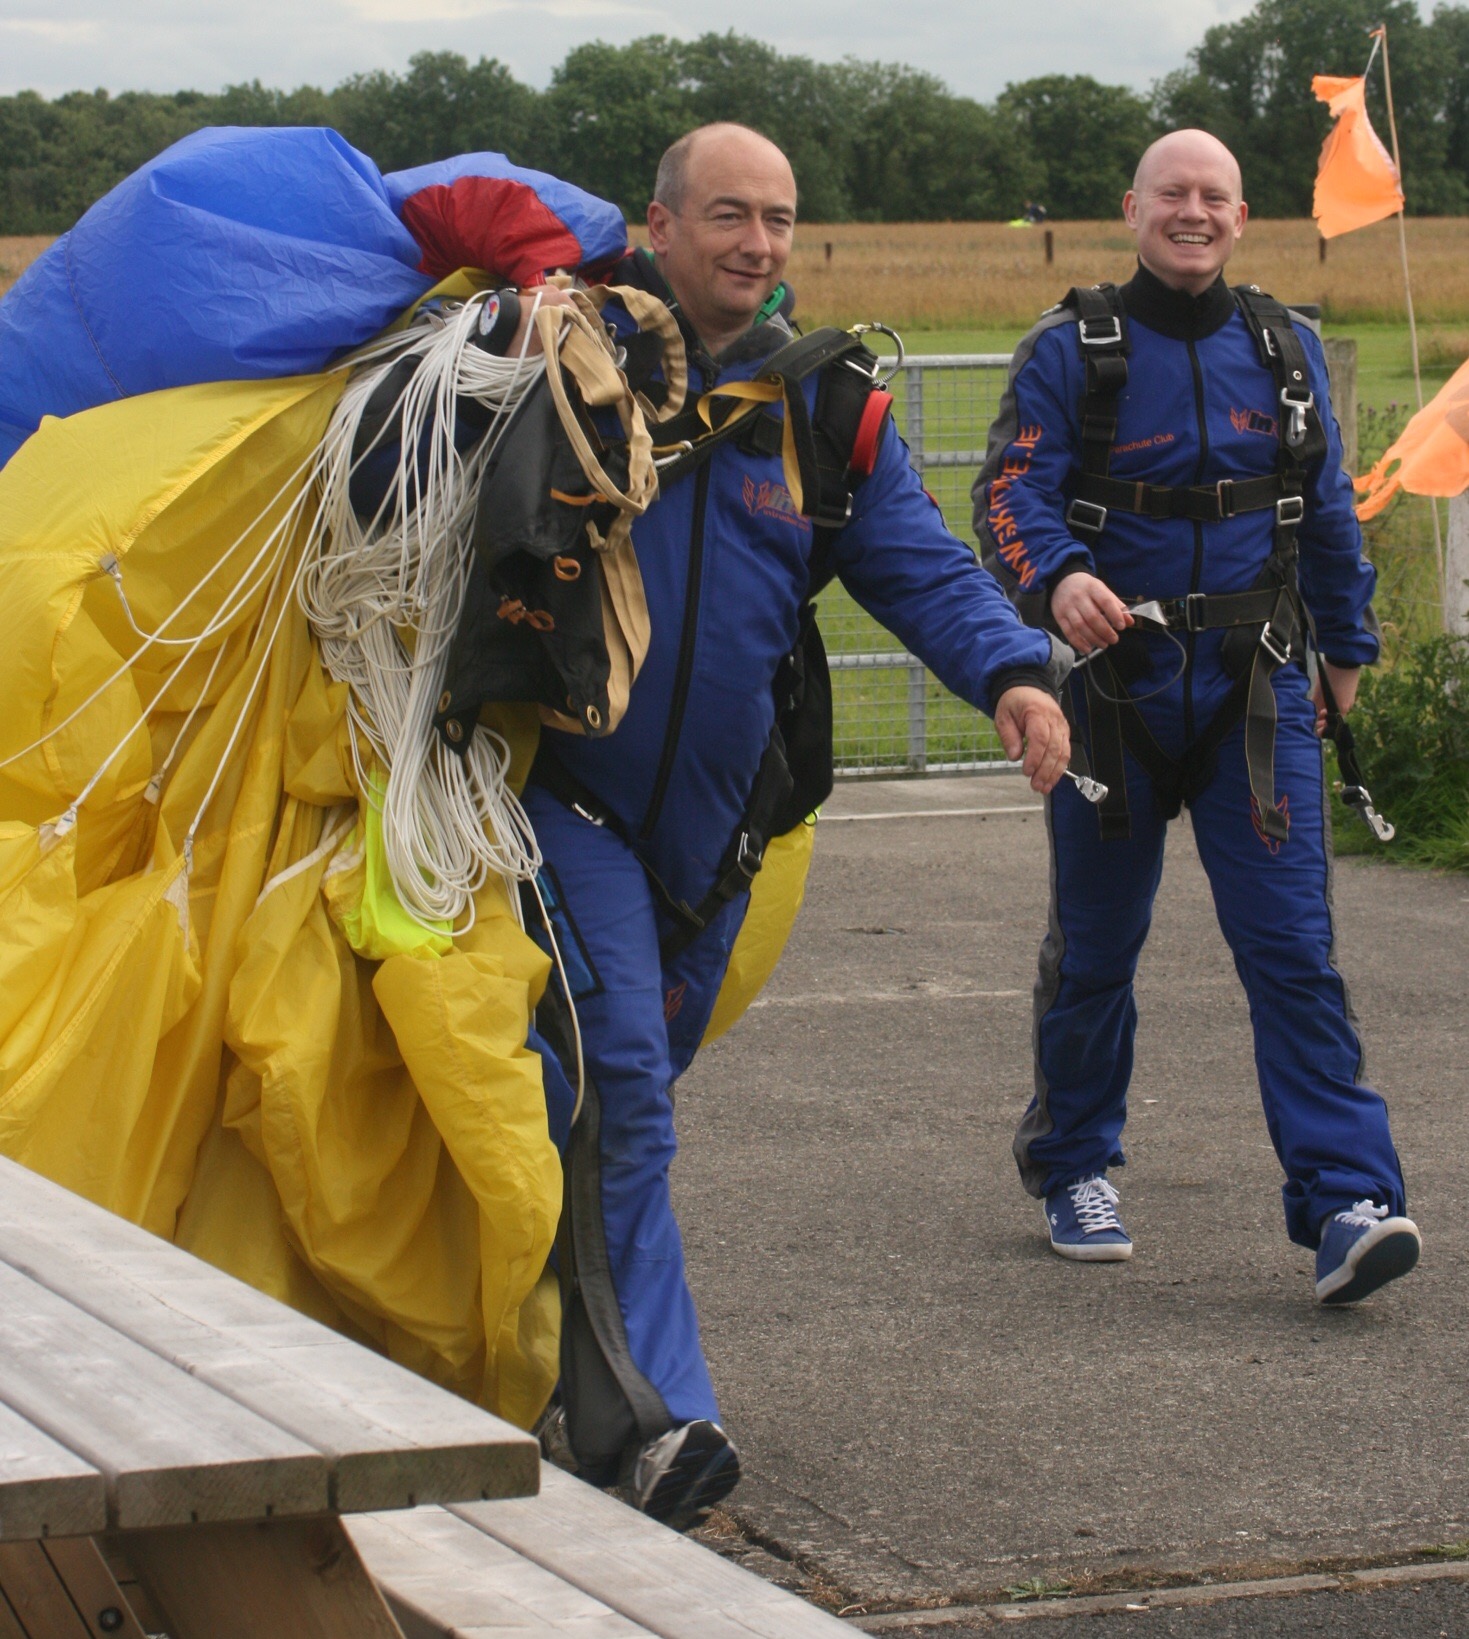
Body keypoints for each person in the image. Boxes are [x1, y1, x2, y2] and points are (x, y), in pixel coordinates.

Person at [518, 122, 1070, 1528]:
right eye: (725, 216)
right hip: (557, 803)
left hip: (710, 848)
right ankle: (654, 1415)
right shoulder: (562, 369)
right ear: (657, 220)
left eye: (777, 220)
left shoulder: (822, 411)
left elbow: (918, 566)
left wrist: (1009, 670)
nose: (756, 245)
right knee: (622, 1084)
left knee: (598, 1105)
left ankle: (512, 1350)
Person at [973, 129, 1420, 1306]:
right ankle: (1072, 1161)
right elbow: (1006, 489)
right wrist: (1055, 575)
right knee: (1096, 947)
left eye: (1213, 196)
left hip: (1254, 693)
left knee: (1291, 951)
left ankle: (1345, 1200)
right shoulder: (1069, 351)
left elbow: (1325, 512)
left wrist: (1346, 657)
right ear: (1132, 208)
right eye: (1171, 193)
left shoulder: (1284, 349)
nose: (1192, 212)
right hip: (1111, 693)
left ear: (1238, 214)